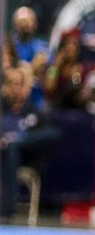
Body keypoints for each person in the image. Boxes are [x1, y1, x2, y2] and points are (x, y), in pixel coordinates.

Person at [0, 64, 58, 222]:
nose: (14, 88)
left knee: (12, 149)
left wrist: (18, 141)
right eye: (10, 84)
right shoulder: (3, 110)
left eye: (18, 84)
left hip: (21, 156)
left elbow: (52, 133)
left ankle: (6, 212)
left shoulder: (32, 112)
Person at [9, 6, 49, 106]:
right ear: (15, 24)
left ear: (34, 23)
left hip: (37, 103)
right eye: (21, 21)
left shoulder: (41, 46)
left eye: (28, 20)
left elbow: (48, 70)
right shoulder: (9, 46)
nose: (25, 24)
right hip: (13, 103)